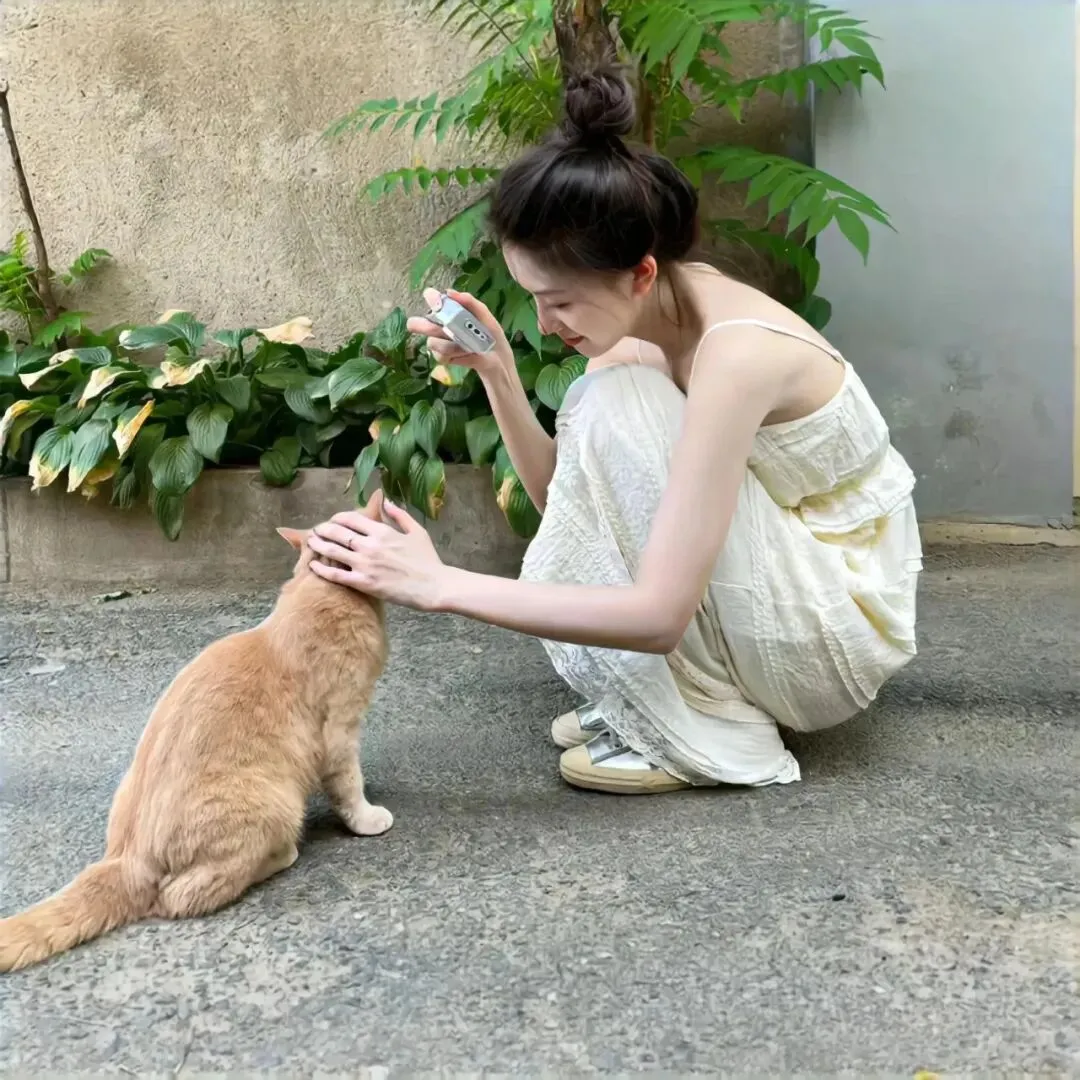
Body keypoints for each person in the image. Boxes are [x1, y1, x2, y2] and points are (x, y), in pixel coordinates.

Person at [307, 68, 922, 795]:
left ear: (641, 273)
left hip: (832, 631)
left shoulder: (736, 357)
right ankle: (678, 698)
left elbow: (659, 615)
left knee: (613, 398)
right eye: (534, 299)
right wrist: (497, 371)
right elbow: (572, 502)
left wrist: (438, 584)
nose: (546, 324)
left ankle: (715, 724)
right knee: (608, 395)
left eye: (560, 301)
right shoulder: (646, 323)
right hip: (787, 586)